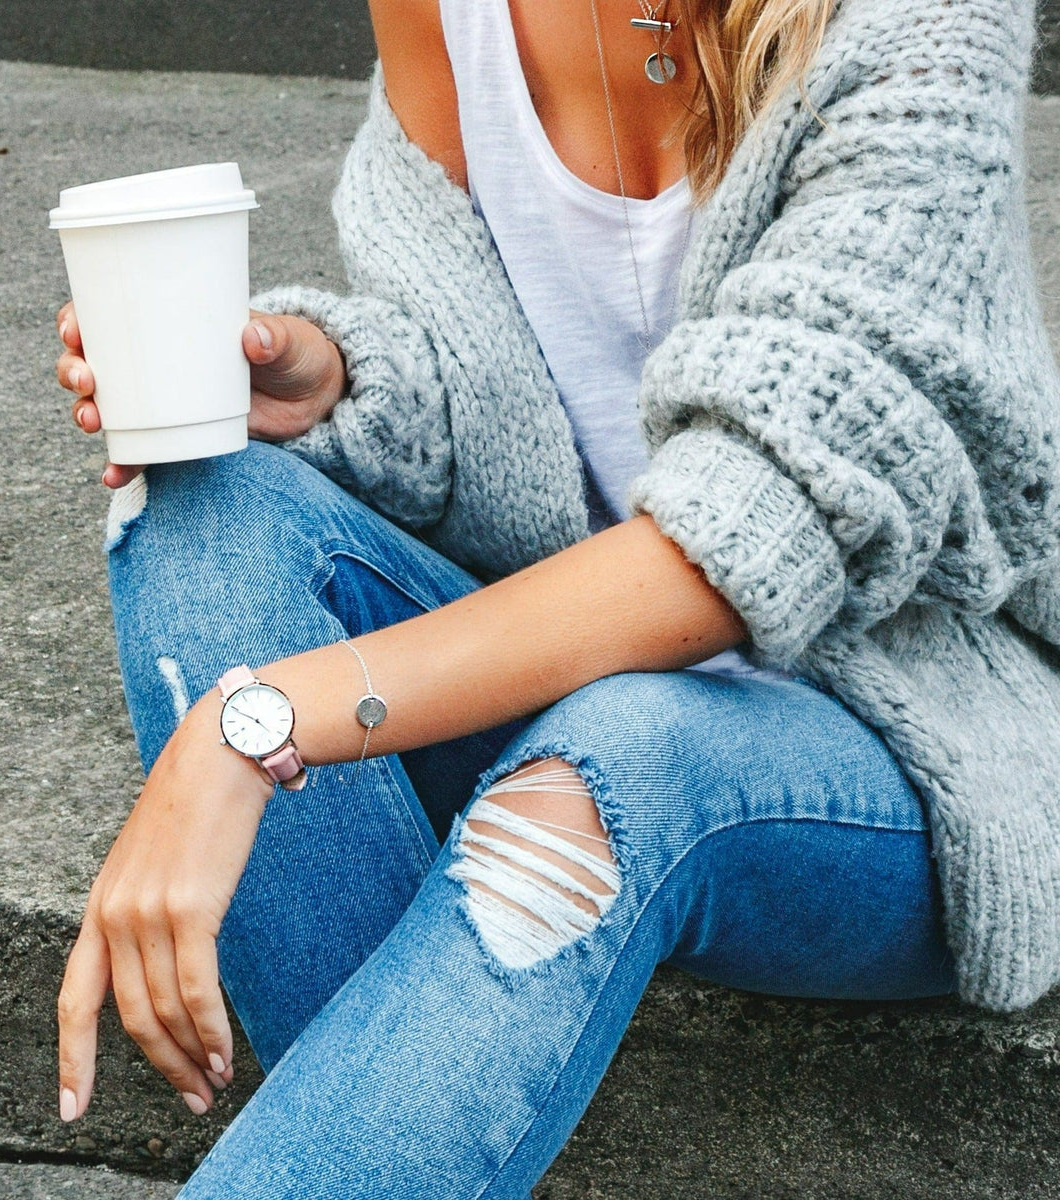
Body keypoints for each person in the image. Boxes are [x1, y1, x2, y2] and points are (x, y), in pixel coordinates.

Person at [53, 0, 1060, 1194]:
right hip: (558, 667)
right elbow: (497, 393)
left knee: (622, 749)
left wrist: (254, 721)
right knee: (199, 510)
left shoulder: (921, 20)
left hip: (908, 739)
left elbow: (756, 526)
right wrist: (336, 384)